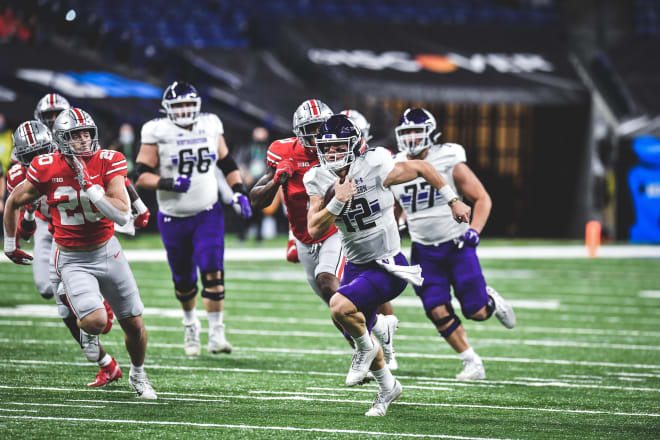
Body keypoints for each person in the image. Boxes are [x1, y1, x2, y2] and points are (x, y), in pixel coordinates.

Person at [305, 114, 472, 416]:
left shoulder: (374, 164)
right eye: (327, 147)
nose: (331, 153)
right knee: (346, 321)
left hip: (388, 263)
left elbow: (423, 167)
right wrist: (337, 203)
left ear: (353, 145)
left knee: (339, 307)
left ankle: (370, 342)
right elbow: (314, 228)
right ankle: (387, 387)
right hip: (356, 265)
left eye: (339, 146)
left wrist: (453, 201)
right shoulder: (316, 177)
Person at [3, 109, 156, 399]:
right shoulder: (45, 167)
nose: (83, 140)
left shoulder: (109, 160)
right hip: (71, 256)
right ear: (61, 140)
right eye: (75, 135)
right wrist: (10, 244)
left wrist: (94, 189)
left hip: (108, 250)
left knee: (134, 323)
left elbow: (122, 215)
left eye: (86, 133)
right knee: (95, 321)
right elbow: (14, 200)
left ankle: (139, 375)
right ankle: (89, 330)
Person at [249, 101, 399, 369]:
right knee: (335, 304)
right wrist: (277, 180)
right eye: (312, 129)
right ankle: (376, 344)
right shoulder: (283, 152)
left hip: (336, 230)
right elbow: (255, 201)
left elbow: (371, 166)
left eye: (323, 128)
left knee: (330, 284)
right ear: (298, 131)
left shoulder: (339, 150)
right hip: (303, 234)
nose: (320, 135)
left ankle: (371, 349)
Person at [390, 107, 516, 380]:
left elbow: (482, 198)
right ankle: (472, 362)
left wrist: (475, 231)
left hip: (456, 245)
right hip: (423, 250)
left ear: (430, 133)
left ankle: (490, 299)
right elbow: (396, 205)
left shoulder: (448, 158)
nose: (411, 138)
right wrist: (395, 226)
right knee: (435, 308)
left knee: (478, 312)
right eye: (406, 132)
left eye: (416, 131)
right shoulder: (396, 165)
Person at [135, 81, 252, 356]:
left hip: (208, 213)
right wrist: (168, 182)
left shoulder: (210, 124)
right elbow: (140, 174)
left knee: (213, 270)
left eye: (189, 104)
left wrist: (238, 191)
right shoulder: (157, 130)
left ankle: (216, 333)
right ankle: (190, 325)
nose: (185, 110)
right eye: (179, 105)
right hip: (174, 218)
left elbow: (226, 162)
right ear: (168, 109)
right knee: (184, 281)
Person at [340, 108, 399, 369]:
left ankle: (383, 348)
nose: (340, 149)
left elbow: (399, 186)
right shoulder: (324, 170)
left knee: (351, 299)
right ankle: (374, 346)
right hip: (346, 235)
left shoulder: (376, 160)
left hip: (375, 238)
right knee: (341, 304)